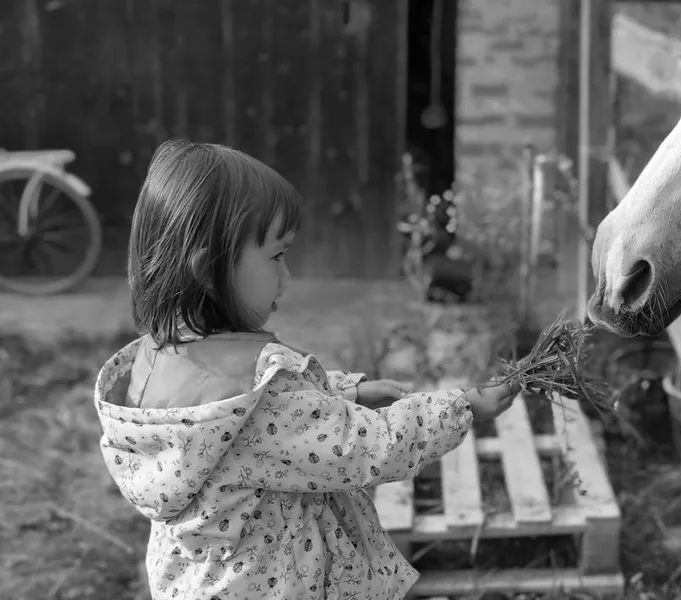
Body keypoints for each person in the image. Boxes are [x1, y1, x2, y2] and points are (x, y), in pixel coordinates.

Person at [93, 139, 519, 599]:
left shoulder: (154, 360)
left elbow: (279, 422)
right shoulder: (260, 394)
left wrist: (346, 393)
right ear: (206, 269)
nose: (288, 276)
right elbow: (367, 447)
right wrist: (462, 408)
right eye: (276, 256)